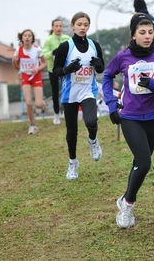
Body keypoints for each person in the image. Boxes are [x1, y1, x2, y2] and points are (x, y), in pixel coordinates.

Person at [102, 13, 154, 229]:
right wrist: (111, 104)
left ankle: (124, 199)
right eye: (142, 32)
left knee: (139, 163)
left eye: (150, 32)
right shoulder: (123, 56)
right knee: (144, 162)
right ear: (133, 35)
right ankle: (128, 204)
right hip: (130, 117)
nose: (147, 36)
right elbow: (107, 78)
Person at [53, 11, 105, 180]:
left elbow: (101, 68)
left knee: (91, 121)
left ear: (89, 26)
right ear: (73, 26)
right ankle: (73, 163)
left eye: (86, 25)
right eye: (79, 24)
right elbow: (56, 71)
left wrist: (98, 65)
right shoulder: (65, 47)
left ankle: (92, 140)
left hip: (88, 91)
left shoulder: (94, 45)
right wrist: (68, 69)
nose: (83, 27)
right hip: (70, 95)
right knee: (72, 132)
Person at [12, 29, 47, 135]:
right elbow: (16, 67)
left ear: (32, 38)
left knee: (38, 104)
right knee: (28, 102)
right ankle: (32, 125)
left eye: (29, 36)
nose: (27, 37)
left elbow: (45, 63)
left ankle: (42, 103)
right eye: (25, 35)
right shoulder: (18, 50)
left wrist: (38, 68)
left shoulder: (37, 50)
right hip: (25, 76)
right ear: (22, 38)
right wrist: (14, 61)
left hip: (36, 76)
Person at [43, 19, 71, 125]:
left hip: (65, 69)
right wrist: (52, 53)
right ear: (52, 27)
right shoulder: (49, 40)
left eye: (60, 26)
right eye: (56, 26)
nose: (59, 28)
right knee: (55, 92)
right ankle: (56, 114)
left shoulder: (67, 38)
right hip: (53, 69)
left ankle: (67, 113)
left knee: (67, 90)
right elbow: (44, 54)